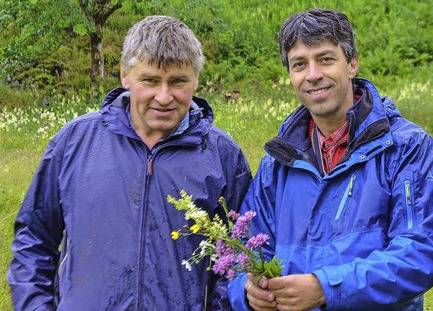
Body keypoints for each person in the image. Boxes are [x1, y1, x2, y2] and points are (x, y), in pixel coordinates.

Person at [7, 15, 252, 310]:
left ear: (196, 80)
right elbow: (34, 237)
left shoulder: (222, 155)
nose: (164, 97)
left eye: (178, 82)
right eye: (150, 80)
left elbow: (238, 256)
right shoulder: (74, 142)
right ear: (125, 75)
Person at [226, 8, 433, 311]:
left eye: (326, 59)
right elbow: (245, 254)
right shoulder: (276, 164)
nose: (313, 74)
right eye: (299, 64)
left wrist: (326, 288)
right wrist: (248, 292)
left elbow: (419, 254)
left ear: (352, 64)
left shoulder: (407, 147)